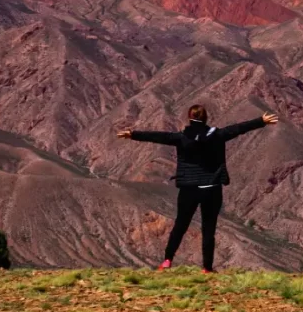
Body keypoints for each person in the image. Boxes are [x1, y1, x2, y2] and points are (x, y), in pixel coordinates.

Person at [117, 104, 279, 273]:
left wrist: (133, 134)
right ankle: (207, 268)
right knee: (208, 228)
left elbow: (158, 136)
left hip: (189, 189)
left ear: (189, 117)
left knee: (180, 225)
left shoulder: (181, 138)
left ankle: (167, 260)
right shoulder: (217, 135)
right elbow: (237, 129)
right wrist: (261, 121)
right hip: (211, 189)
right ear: (206, 118)